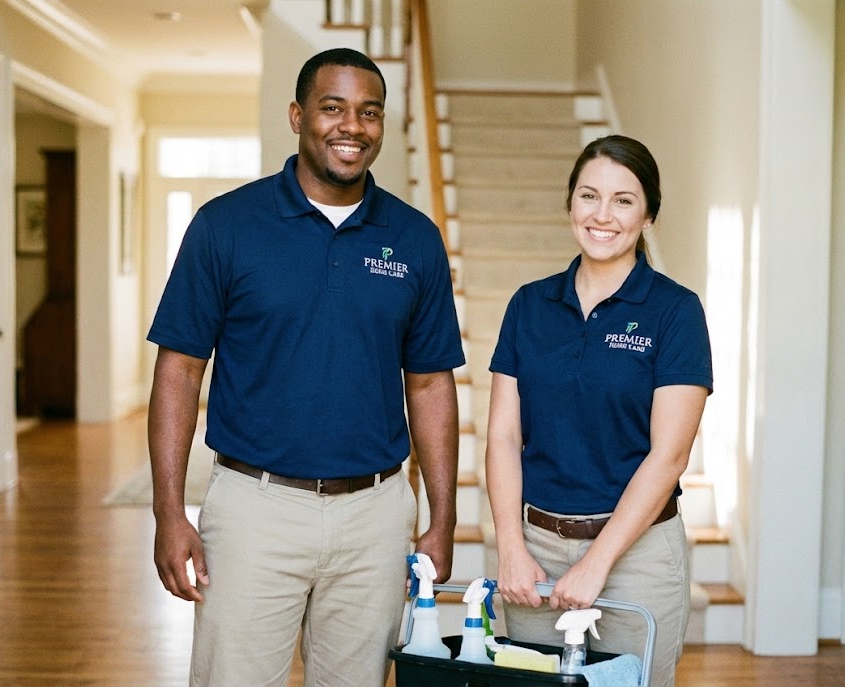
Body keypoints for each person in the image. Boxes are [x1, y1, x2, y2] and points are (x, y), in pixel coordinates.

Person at [146, 48, 464, 687]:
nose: (353, 126)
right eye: (333, 108)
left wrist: (443, 517)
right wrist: (168, 510)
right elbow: (179, 370)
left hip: (375, 514)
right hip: (254, 508)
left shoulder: (415, 238)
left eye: (369, 112)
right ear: (297, 117)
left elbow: (429, 381)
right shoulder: (224, 226)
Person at [485, 134, 712, 686]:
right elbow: (501, 436)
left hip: (637, 554)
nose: (602, 215)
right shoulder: (529, 305)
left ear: (649, 215)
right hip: (535, 548)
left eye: (623, 200)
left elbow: (670, 455)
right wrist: (510, 547)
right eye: (589, 196)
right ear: (570, 205)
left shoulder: (675, 312)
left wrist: (597, 561)